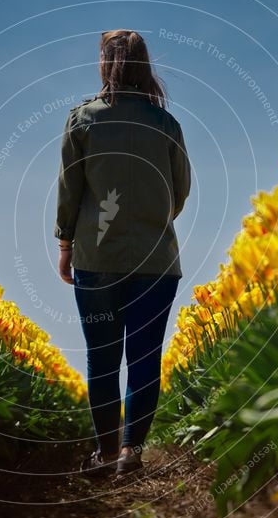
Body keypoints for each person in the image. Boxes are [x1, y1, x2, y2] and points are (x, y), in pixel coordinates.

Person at [54, 29, 191, 477]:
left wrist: (65, 242)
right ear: (144, 65)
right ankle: (132, 452)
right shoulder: (166, 123)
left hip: (97, 260)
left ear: (104, 64)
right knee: (145, 356)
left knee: (103, 357)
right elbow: (181, 192)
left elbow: (70, 191)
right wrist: (152, 215)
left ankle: (106, 453)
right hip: (157, 261)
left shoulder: (83, 120)